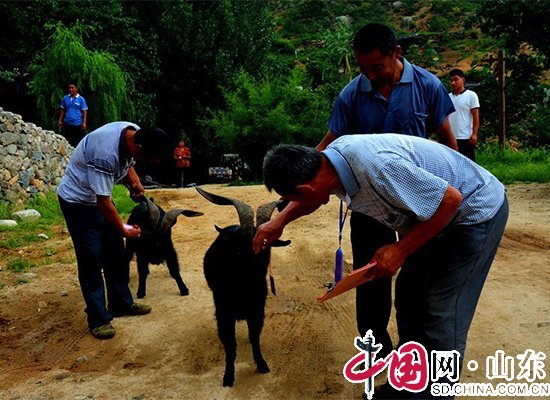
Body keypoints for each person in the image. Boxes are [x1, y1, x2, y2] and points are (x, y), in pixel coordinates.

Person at [255, 23, 457, 359]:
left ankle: (417, 354)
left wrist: (464, 182)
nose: (369, 75)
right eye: (363, 68)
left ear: (397, 54)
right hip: (369, 205)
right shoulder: (352, 94)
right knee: (370, 277)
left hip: (418, 204)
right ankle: (377, 352)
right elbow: (322, 157)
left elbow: (448, 143)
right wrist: (288, 201)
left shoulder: (428, 86)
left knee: (419, 283)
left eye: (376, 67)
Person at [260, 135, 508, 398]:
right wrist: (280, 221)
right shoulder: (329, 163)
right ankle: (409, 382)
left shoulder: (378, 169)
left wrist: (400, 250)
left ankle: (437, 394)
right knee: (409, 294)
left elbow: (450, 200)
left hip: (473, 214)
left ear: (306, 189)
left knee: (442, 310)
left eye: (291, 198)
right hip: (434, 219)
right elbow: (311, 197)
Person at [57, 122, 171, 339]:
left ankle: (120, 303)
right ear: (138, 148)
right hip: (78, 202)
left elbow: (128, 164)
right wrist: (123, 229)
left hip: (97, 200)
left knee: (116, 253)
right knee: (91, 257)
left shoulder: (134, 132)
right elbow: (103, 202)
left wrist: (134, 183)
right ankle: (98, 319)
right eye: (146, 159)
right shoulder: (105, 154)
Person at [448, 69, 480, 161]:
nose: (453, 83)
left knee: (468, 162)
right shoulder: (448, 97)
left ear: (463, 80)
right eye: (451, 80)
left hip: (465, 136)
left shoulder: (471, 95)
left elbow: (475, 116)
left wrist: (474, 133)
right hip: (452, 136)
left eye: (456, 79)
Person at [58, 82, 88, 147]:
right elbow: (62, 110)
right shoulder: (65, 98)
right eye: (69, 88)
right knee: (68, 141)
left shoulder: (81, 99)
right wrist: (60, 120)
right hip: (68, 124)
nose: (71, 89)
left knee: (77, 142)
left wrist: (84, 123)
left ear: (76, 89)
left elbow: (84, 111)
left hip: (77, 124)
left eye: (72, 88)